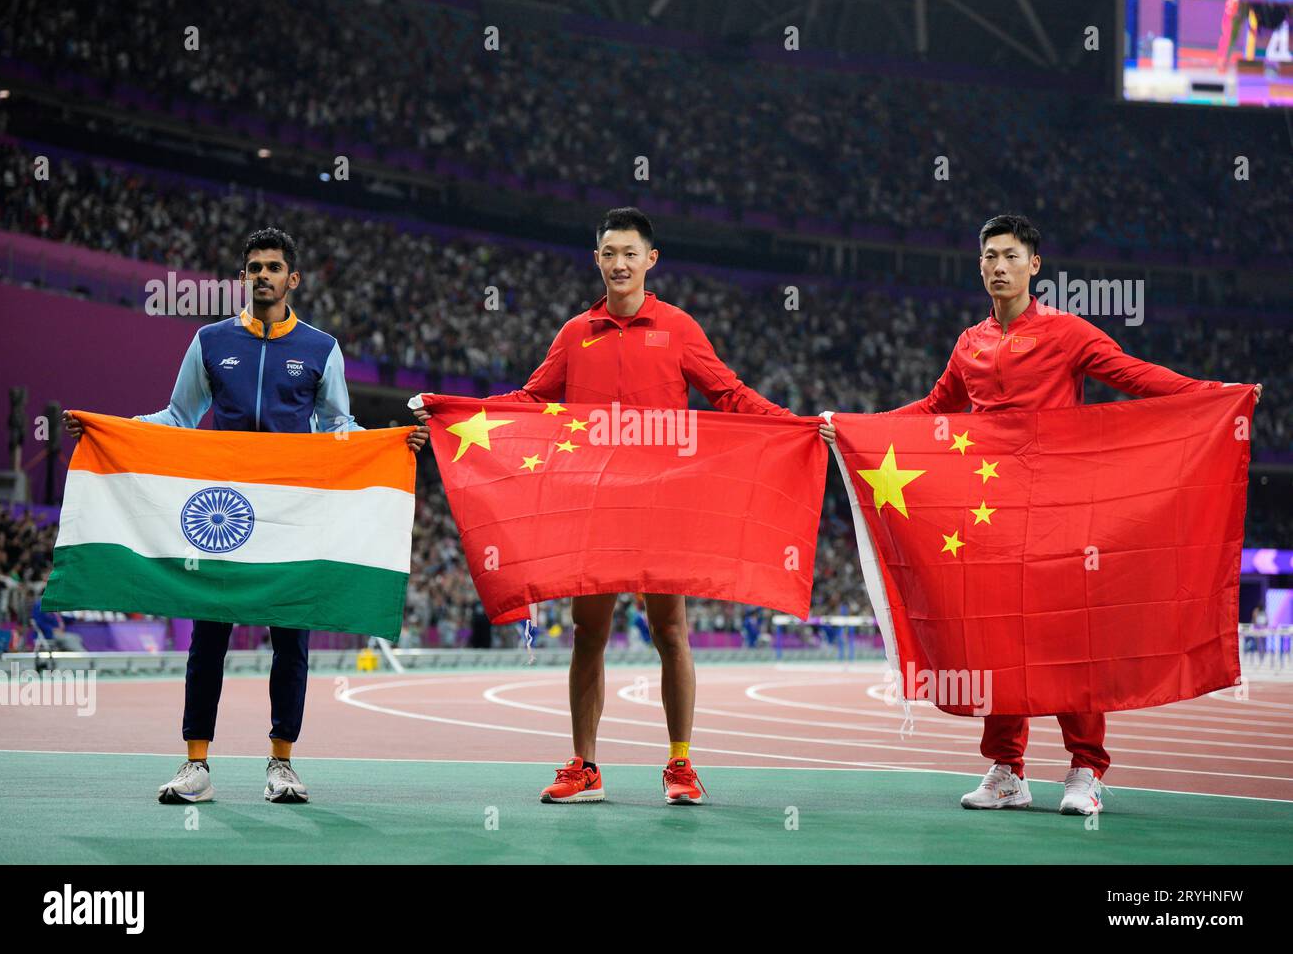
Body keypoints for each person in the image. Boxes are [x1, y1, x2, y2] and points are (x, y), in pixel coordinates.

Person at [415, 207, 834, 805]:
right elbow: (528, 401)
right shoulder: (574, 333)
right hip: (591, 506)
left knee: (671, 631)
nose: (619, 264)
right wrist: (449, 409)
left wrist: (795, 426)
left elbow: (729, 395)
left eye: (630, 253)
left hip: (662, 506)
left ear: (650, 260)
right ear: (597, 260)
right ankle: (585, 766)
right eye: (609, 253)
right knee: (589, 634)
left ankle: (681, 765)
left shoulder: (678, 328)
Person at [890, 214, 1263, 816]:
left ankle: (1085, 769)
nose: (998, 266)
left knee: (1072, 637)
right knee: (997, 640)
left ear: (1034, 265)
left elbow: (1133, 375)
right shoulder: (970, 343)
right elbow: (935, 407)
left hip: (1063, 513)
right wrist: (859, 427)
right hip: (995, 516)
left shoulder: (1067, 332)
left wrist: (1214, 391)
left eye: (1010, 256)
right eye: (989, 256)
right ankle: (1006, 771)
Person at [63, 227, 427, 805]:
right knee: (208, 637)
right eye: (253, 267)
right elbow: (179, 416)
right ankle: (196, 765)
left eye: (273, 267)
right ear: (244, 277)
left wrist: (389, 442)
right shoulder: (209, 341)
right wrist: (114, 427)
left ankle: (281, 765)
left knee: (291, 642)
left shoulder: (319, 348)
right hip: (224, 513)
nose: (262, 275)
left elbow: (338, 428)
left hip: (291, 514)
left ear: (293, 279)